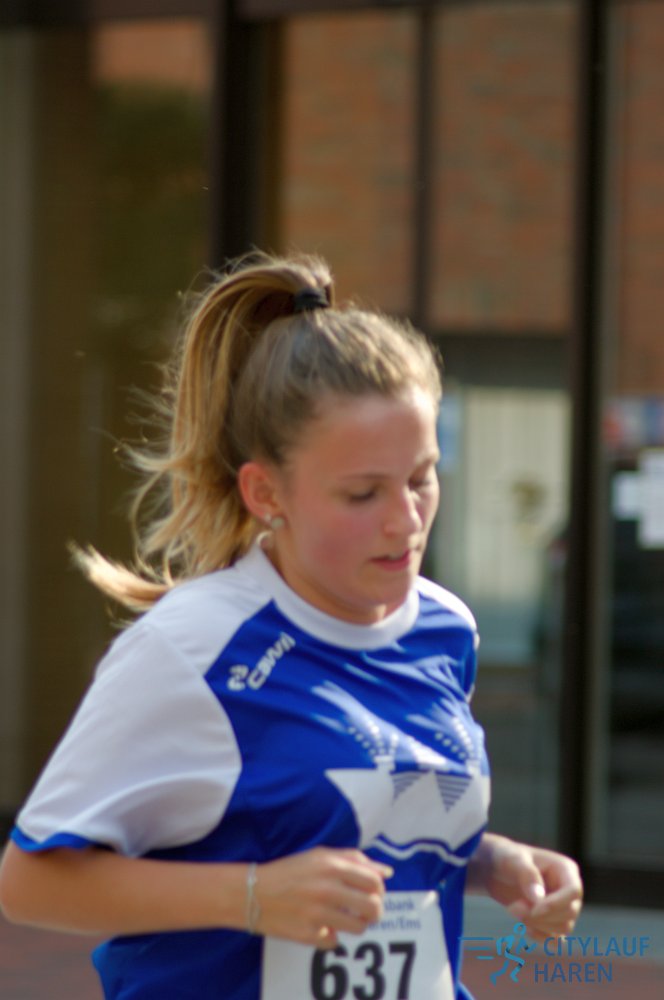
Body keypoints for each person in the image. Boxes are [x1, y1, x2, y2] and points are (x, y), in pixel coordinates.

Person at [0, 253, 582, 1000]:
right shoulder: (192, 649)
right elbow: (29, 883)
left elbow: (347, 814)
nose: (406, 520)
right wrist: (250, 897)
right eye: (363, 493)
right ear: (265, 492)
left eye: (421, 478)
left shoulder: (446, 627)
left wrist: (486, 859)